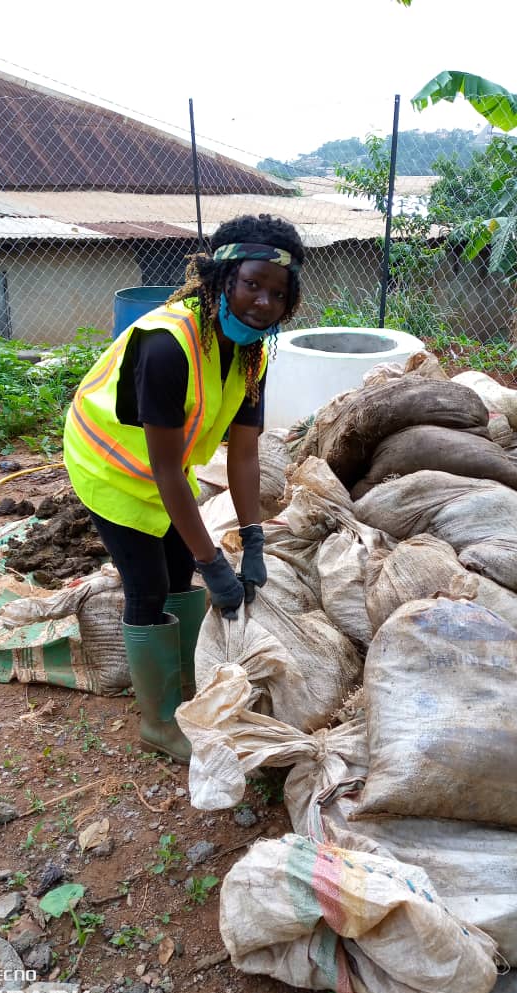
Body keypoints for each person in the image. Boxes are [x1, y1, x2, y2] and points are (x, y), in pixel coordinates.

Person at [63, 213, 305, 762]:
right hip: (110, 467)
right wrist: (213, 561)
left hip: (163, 472)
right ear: (221, 278)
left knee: (181, 574)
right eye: (252, 284)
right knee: (148, 586)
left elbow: (244, 453)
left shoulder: (250, 352)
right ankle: (158, 722)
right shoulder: (169, 345)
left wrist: (252, 536)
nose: (263, 302)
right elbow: (167, 472)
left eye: (277, 292)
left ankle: (186, 689)